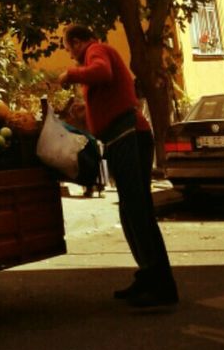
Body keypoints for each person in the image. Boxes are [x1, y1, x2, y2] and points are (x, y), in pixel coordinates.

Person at [59, 24, 178, 309]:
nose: (71, 56)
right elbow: (108, 92)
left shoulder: (96, 50)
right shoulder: (98, 52)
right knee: (130, 210)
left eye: (68, 49)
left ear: (77, 43)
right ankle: (148, 276)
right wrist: (85, 112)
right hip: (122, 136)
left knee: (137, 210)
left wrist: (70, 75)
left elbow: (102, 72)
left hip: (128, 134)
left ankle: (161, 285)